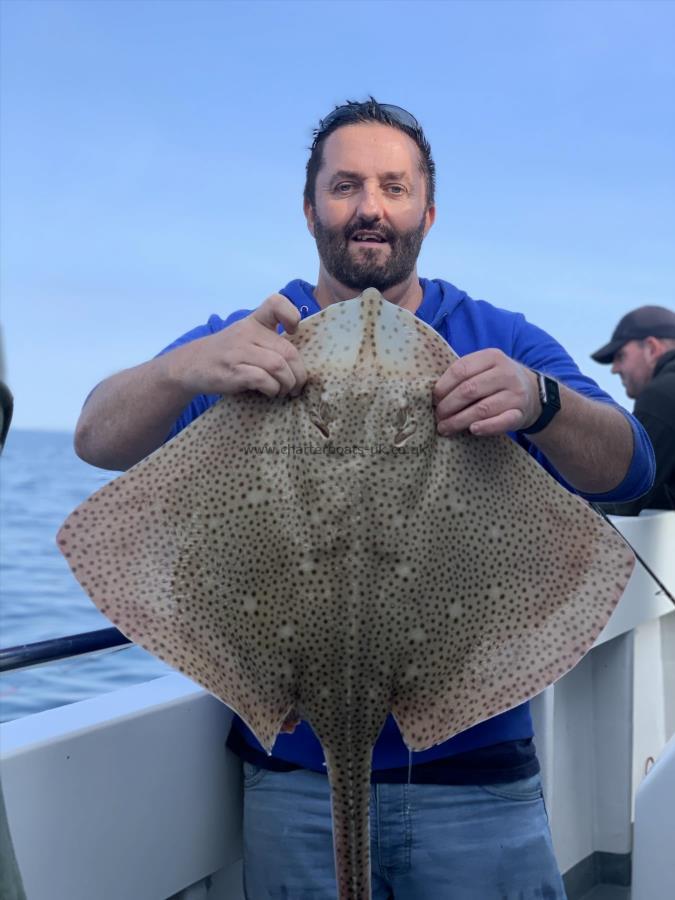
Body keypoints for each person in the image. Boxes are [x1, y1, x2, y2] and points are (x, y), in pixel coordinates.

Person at [75, 99, 655, 899]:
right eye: (345, 185)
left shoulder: (493, 333)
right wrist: (188, 367)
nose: (369, 206)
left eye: (393, 185)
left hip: (472, 773)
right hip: (292, 775)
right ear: (309, 206)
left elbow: (631, 470)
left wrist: (538, 400)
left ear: (427, 209)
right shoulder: (250, 338)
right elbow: (96, 439)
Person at [591, 305, 675, 515]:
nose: (614, 369)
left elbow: (627, 498)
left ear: (652, 349)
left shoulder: (662, 394)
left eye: (621, 356)